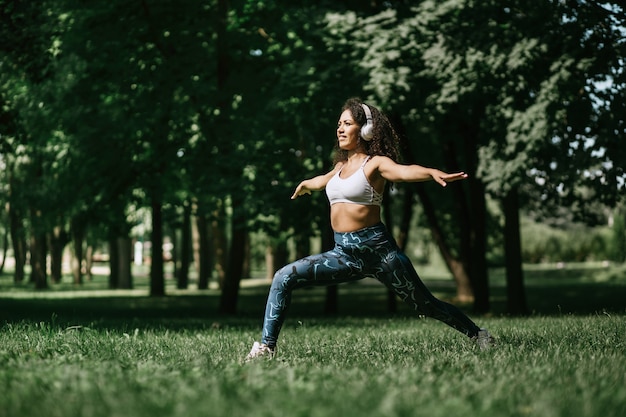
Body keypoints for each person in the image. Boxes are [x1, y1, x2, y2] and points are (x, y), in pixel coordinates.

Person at [246, 98, 493, 361]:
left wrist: (431, 172)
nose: (340, 129)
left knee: (426, 304)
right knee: (284, 276)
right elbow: (322, 181)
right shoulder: (340, 168)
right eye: (339, 124)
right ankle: (266, 347)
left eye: (348, 124)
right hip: (344, 255)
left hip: (380, 254)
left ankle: (478, 335)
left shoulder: (375, 164)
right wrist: (307, 183)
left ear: (365, 130)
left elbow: (403, 171)